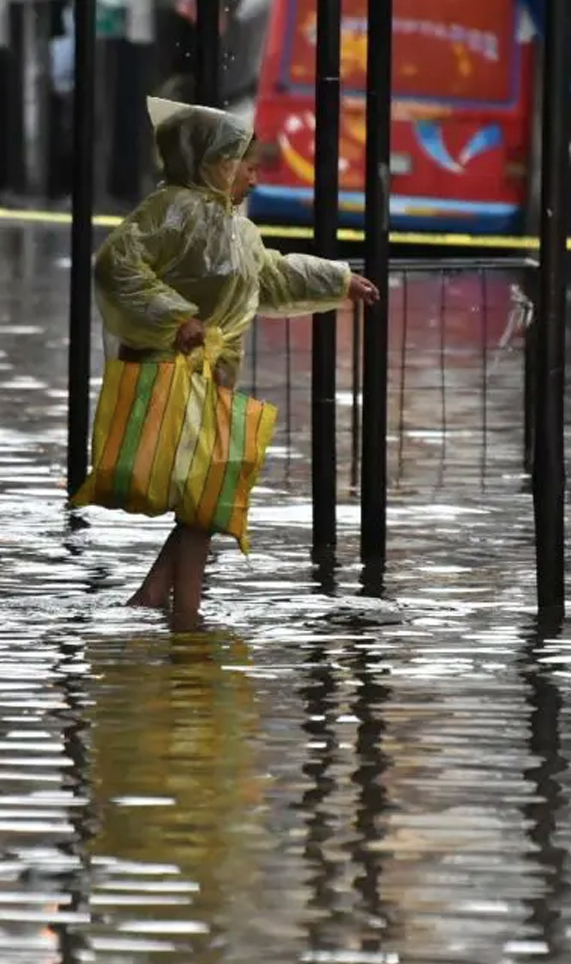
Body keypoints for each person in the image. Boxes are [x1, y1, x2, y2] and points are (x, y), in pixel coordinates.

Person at [93, 97, 380, 630]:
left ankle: (160, 603)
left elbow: (269, 277)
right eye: (245, 163)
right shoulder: (170, 210)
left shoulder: (236, 229)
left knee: (209, 494)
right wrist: (177, 320)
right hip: (171, 377)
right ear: (213, 162)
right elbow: (117, 267)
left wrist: (340, 281)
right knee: (206, 495)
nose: (254, 175)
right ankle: (184, 617)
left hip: (213, 379)